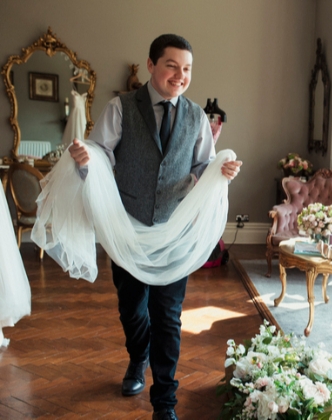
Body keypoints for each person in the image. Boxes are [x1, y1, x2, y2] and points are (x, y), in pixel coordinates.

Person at [68, 34, 241, 420]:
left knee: (168, 316)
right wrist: (84, 160)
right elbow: (99, 155)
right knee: (132, 311)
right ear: (151, 65)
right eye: (172, 66)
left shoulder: (197, 116)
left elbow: (201, 166)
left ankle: (164, 401)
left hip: (173, 233)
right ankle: (136, 359)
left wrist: (220, 172)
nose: (180, 76)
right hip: (127, 231)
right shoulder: (121, 107)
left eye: (187, 69)